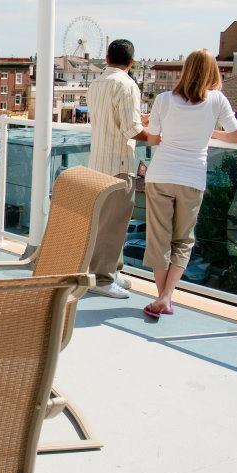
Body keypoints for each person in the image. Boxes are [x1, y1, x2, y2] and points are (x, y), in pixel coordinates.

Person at [142, 49, 237, 318]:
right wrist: (208, 132)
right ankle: (166, 298)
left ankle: (162, 298)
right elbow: (236, 137)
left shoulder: (163, 100)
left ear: (185, 70)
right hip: (191, 178)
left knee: (159, 239)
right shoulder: (218, 100)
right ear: (213, 72)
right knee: (183, 241)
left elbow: (152, 140)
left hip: (160, 175)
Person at [86, 39, 150, 298]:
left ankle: (110, 271)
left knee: (104, 222)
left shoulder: (96, 84)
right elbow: (131, 130)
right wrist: (157, 136)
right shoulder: (127, 85)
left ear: (107, 57)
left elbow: (111, 121)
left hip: (97, 162)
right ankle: (102, 279)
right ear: (131, 62)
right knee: (115, 223)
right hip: (118, 163)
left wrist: (137, 121)